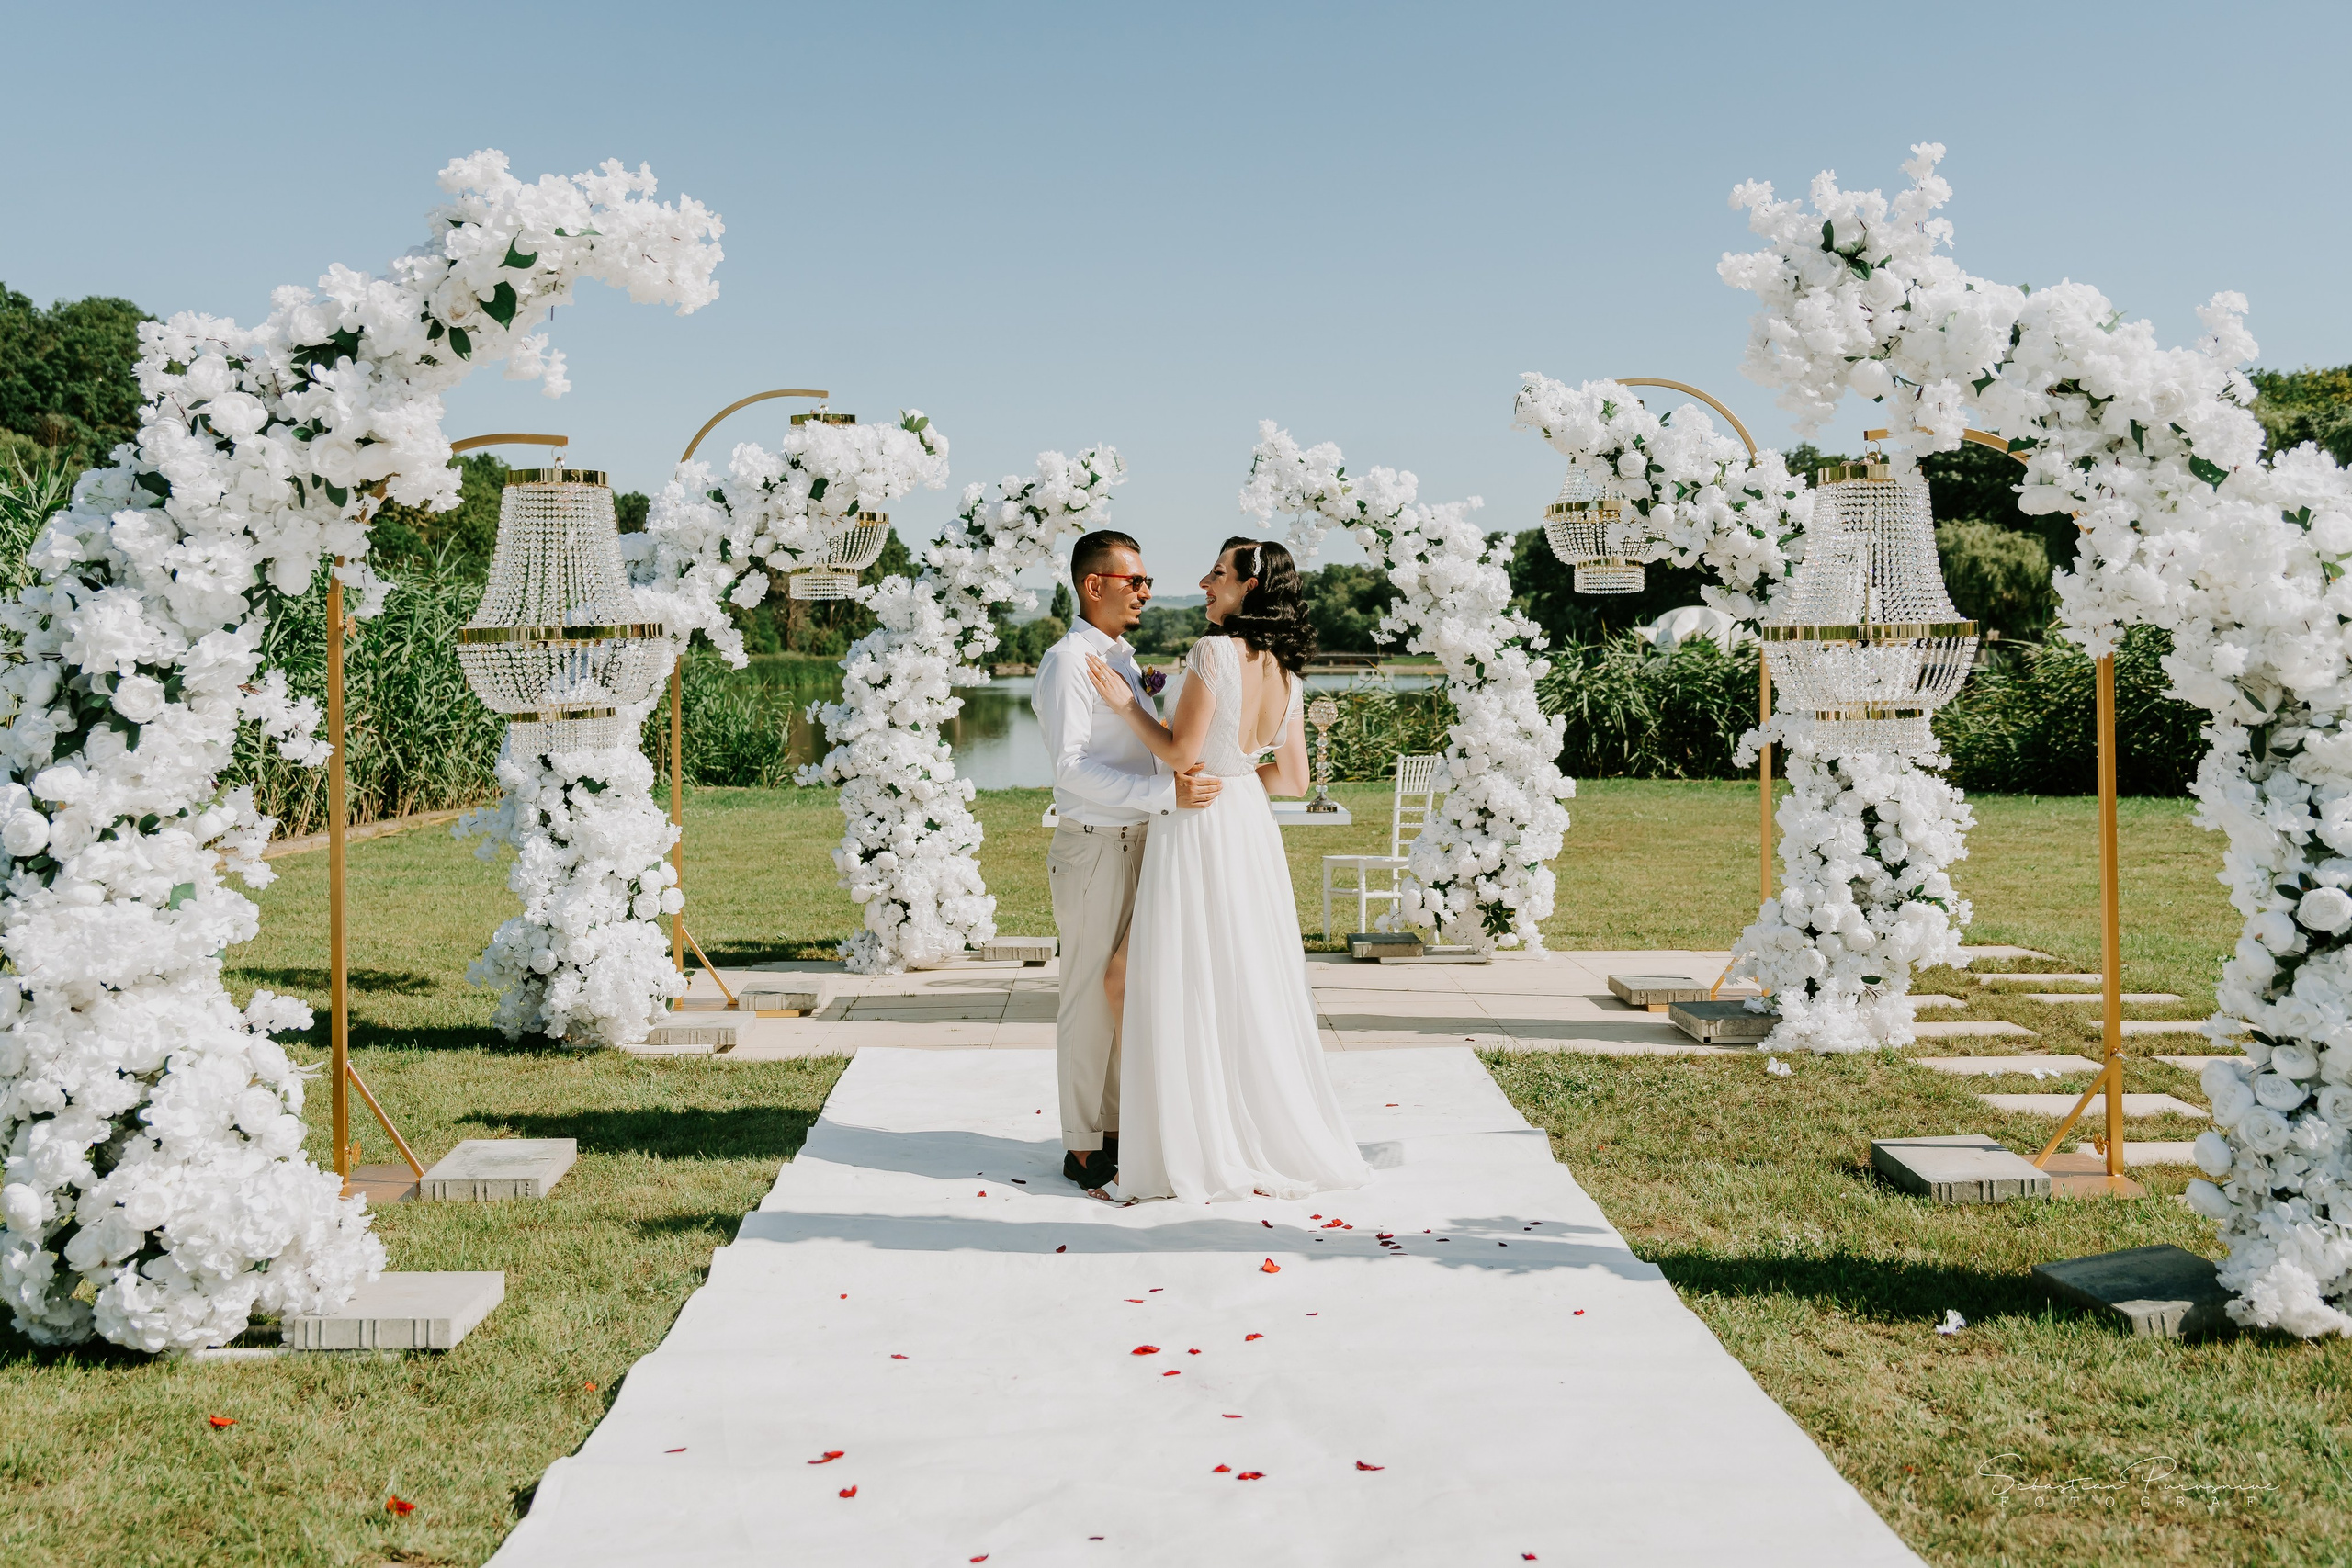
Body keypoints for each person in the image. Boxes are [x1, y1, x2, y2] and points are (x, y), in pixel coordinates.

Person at [1082, 536, 1372, 1202]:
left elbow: (1181, 752)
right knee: (1232, 980)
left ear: (1249, 587)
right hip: (1246, 825)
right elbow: (1293, 780)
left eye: (1217, 573)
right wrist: (1238, 777)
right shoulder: (1288, 671)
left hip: (1199, 824)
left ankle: (1176, 1144)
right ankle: (1219, 1132)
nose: (1204, 582)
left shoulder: (1214, 652)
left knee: (1149, 978)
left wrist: (1127, 704)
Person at [1032, 530, 1224, 1192]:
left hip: (1145, 842)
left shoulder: (1121, 659)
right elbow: (1070, 768)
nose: (1145, 591)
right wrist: (1165, 795)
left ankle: (1116, 1126)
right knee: (1088, 996)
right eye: (1134, 580)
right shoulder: (1067, 662)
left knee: (1128, 990)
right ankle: (1083, 1143)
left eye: (1146, 582)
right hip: (1095, 846)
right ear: (1095, 585)